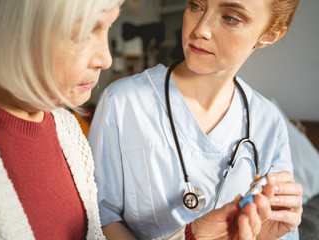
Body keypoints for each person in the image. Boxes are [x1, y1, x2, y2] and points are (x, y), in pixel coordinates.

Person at [88, 0, 303, 239]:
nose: (200, 29)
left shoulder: (268, 122)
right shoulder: (123, 102)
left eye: (230, 17)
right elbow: (100, 217)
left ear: (269, 35)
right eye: (196, 6)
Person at [0, 0, 123, 239]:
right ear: (10, 31)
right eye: (82, 35)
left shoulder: (67, 129)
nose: (105, 59)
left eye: (107, 27)